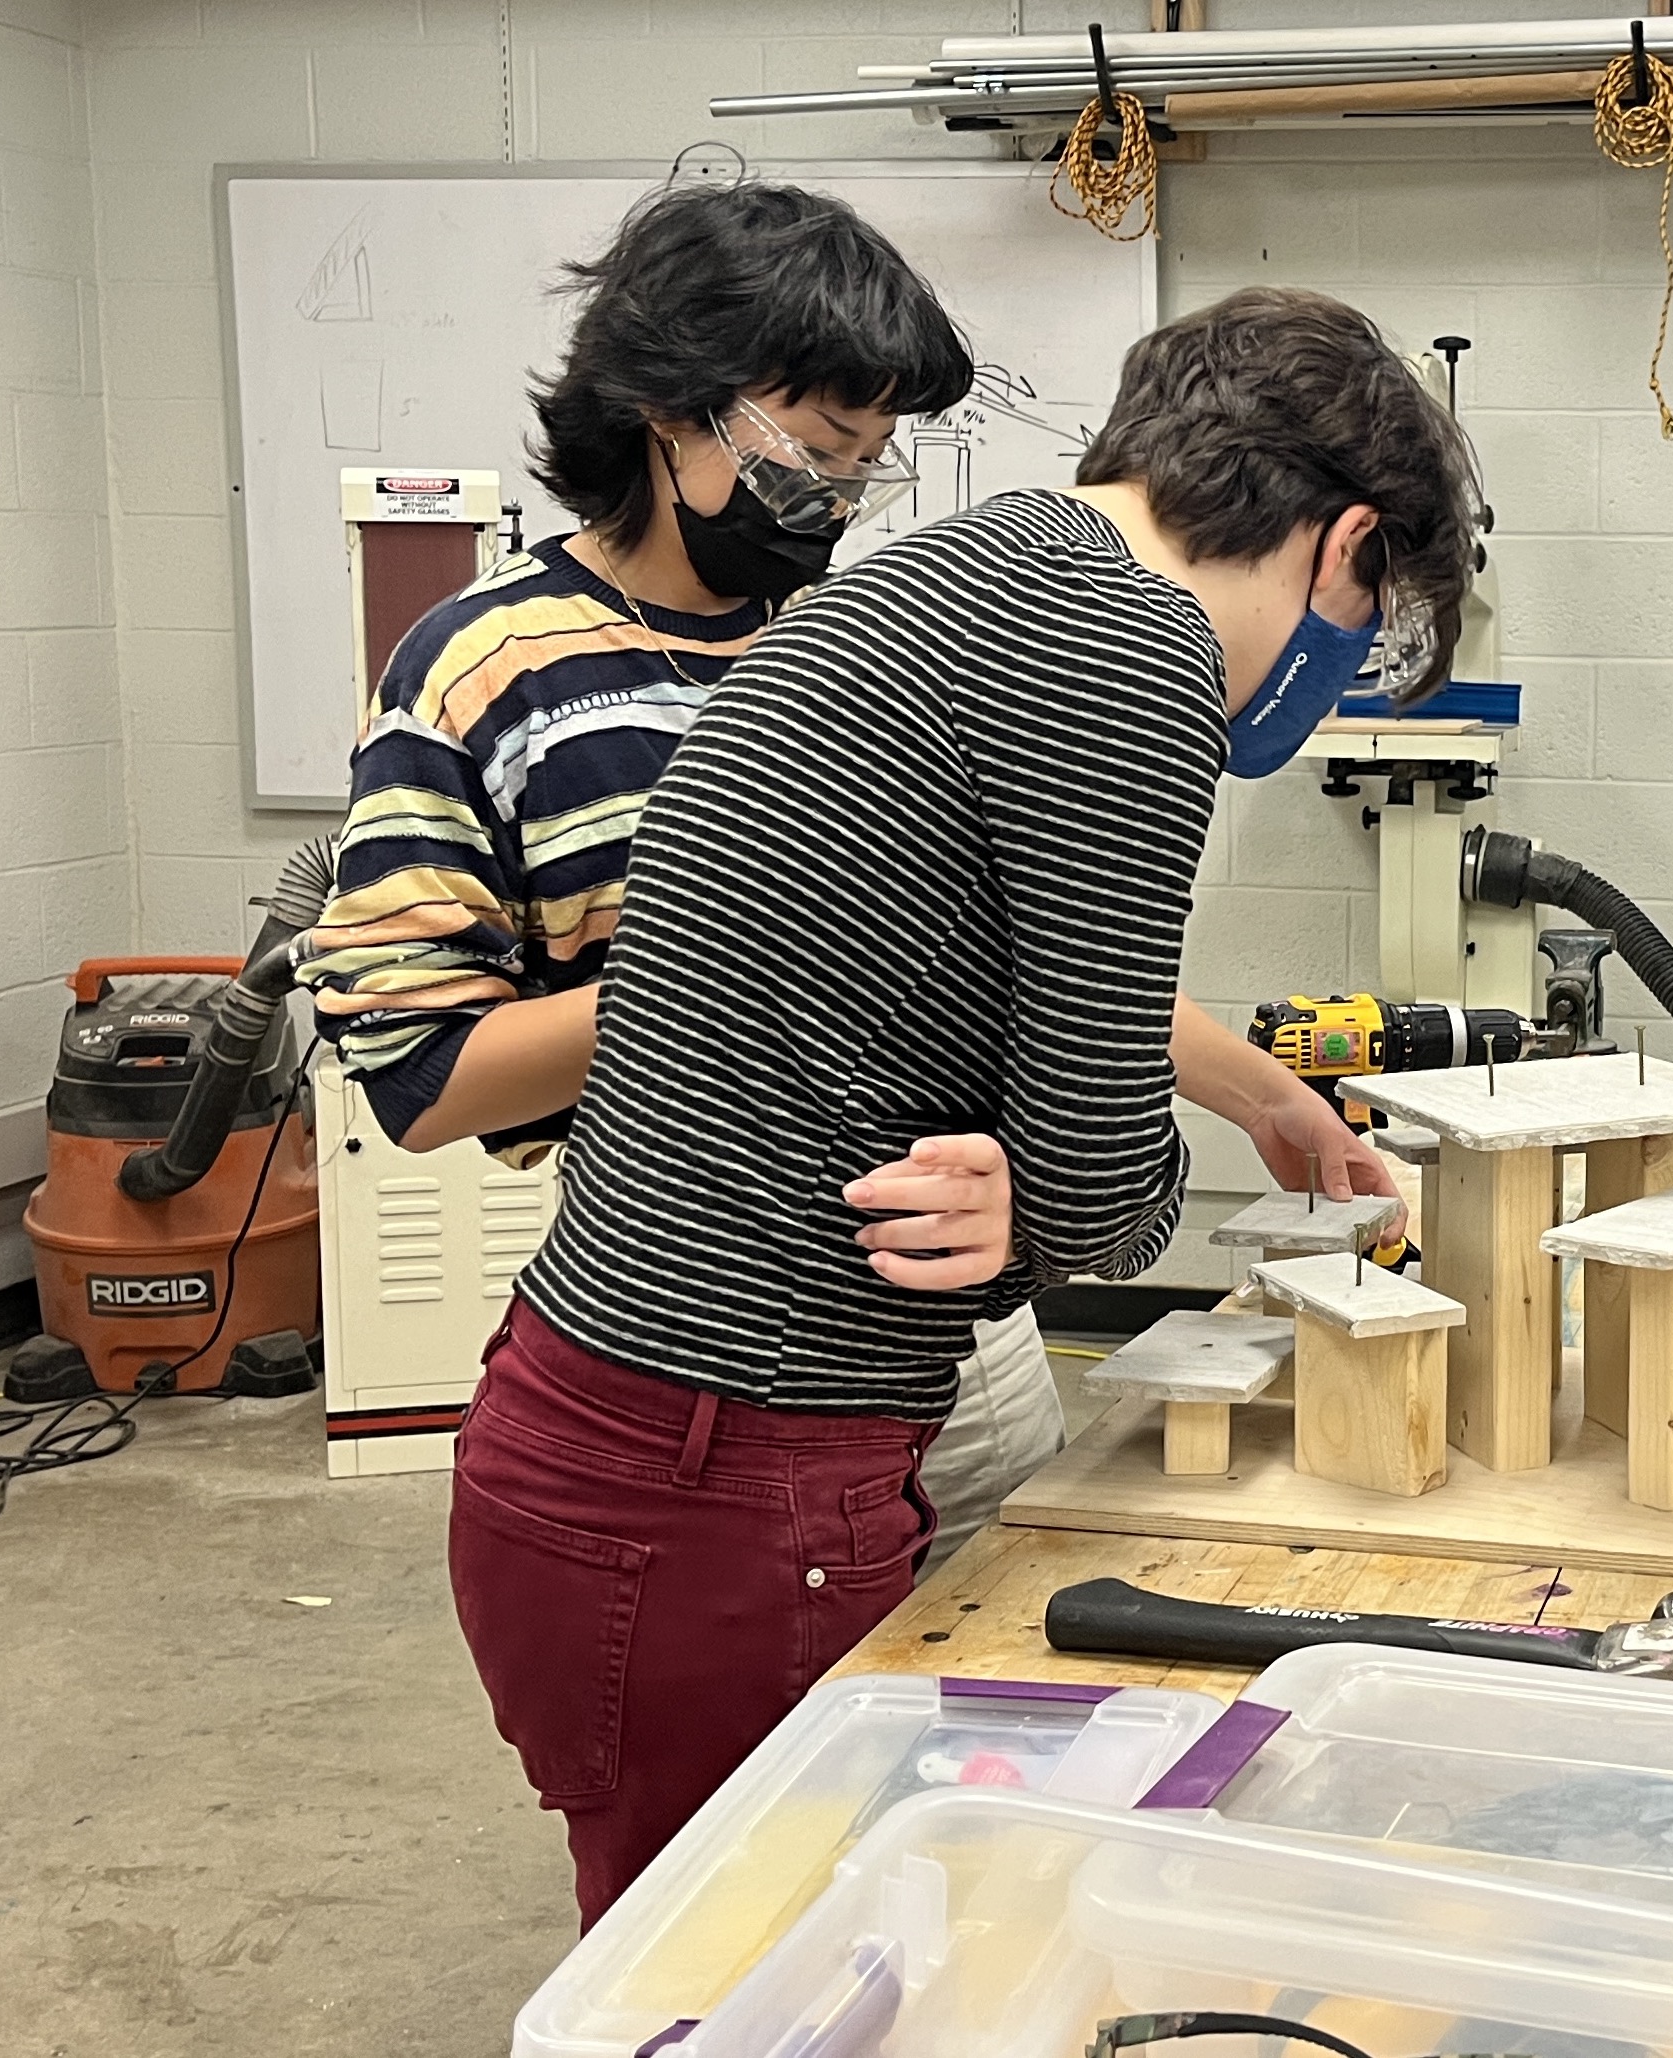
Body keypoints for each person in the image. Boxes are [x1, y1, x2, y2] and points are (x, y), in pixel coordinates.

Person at [445, 284, 1472, 1924]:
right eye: (1365, 613)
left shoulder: (981, 565)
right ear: (1345, 545)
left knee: (758, 1949)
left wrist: (1116, 1134)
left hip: (611, 1442)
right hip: (719, 1480)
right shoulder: (1141, 658)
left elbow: (979, 982)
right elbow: (1095, 1201)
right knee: (743, 1983)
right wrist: (1070, 1191)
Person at [301, 180, 1056, 1545]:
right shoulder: (484, 666)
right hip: (716, 1334)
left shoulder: (859, 648)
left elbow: (1032, 943)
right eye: (815, 446)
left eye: (866, 459)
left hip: (969, 1331)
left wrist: (1265, 1098)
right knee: (766, 1740)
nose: (833, 495)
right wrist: (724, 979)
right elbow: (419, 1080)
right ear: (671, 405)